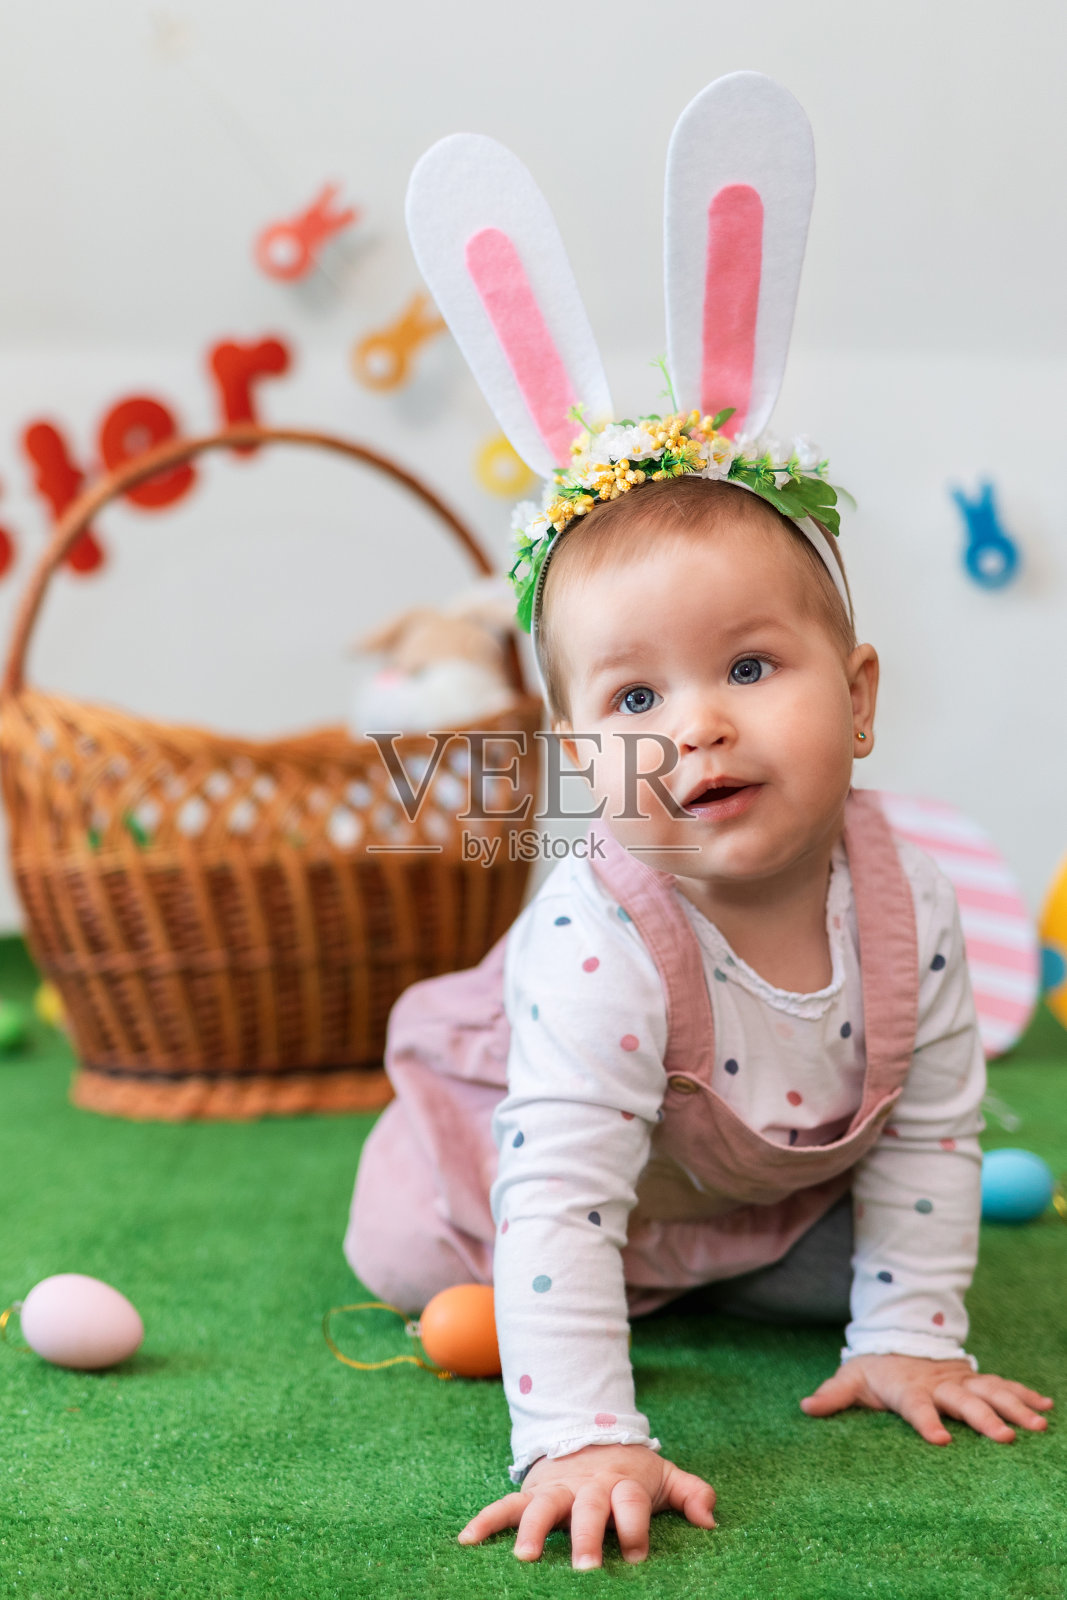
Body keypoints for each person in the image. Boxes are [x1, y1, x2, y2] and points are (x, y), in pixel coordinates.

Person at [346, 76, 1054, 1571]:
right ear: (577, 757)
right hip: (533, 1157)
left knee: (890, 1249)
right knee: (418, 1248)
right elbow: (550, 1206)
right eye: (633, 701)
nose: (697, 729)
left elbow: (928, 1130)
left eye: (749, 666)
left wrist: (914, 1336)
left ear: (859, 697)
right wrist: (587, 1432)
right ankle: (615, 1295)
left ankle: (713, 1276)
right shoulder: (600, 949)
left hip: (751, 1188)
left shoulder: (905, 901)